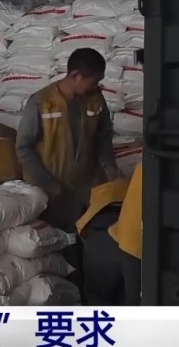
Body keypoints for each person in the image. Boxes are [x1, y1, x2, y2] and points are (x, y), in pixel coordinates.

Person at [15, 48, 122, 231]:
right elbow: (23, 147)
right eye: (93, 81)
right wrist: (48, 183)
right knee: (55, 241)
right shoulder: (41, 103)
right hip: (51, 195)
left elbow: (103, 135)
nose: (96, 86)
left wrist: (110, 166)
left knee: (86, 236)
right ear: (76, 75)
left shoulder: (95, 99)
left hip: (85, 190)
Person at [74, 163, 143, 305]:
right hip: (133, 240)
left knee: (97, 295)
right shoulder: (136, 176)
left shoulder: (142, 170)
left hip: (115, 238)